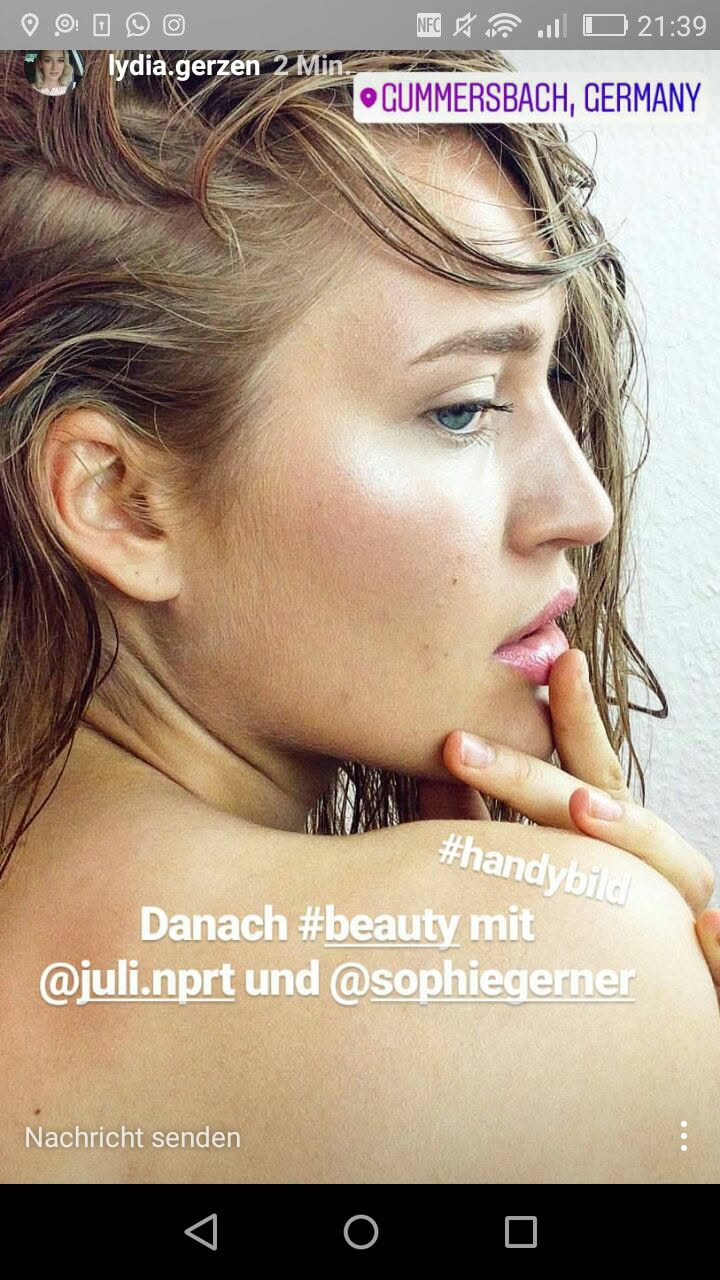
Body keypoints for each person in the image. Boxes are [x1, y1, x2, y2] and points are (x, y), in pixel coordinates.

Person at [0, 48, 718, 1185]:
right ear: (120, 499)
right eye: (463, 409)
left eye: (555, 383)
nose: (583, 505)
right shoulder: (555, 977)